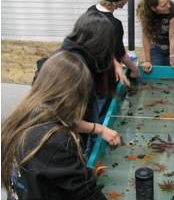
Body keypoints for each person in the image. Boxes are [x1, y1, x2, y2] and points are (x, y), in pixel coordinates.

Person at [2, 51, 120, 200]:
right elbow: (83, 186)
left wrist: (99, 129)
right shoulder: (56, 141)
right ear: (74, 96)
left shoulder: (24, 117)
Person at [34, 11, 122, 156]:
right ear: (100, 43)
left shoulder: (71, 51)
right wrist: (100, 129)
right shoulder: (74, 69)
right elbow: (63, 118)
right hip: (61, 142)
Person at [88, 0, 139, 80]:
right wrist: (135, 70)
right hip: (105, 72)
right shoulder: (114, 25)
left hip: (88, 67)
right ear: (121, 1)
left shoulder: (90, 10)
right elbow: (121, 54)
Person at [137, 0, 174, 72]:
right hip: (156, 47)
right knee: (156, 71)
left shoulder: (173, 10)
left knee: (172, 71)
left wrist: (172, 59)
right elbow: (146, 36)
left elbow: (173, 37)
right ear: (154, 8)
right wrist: (147, 60)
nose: (168, 6)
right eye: (164, 5)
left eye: (168, 1)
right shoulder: (145, 13)